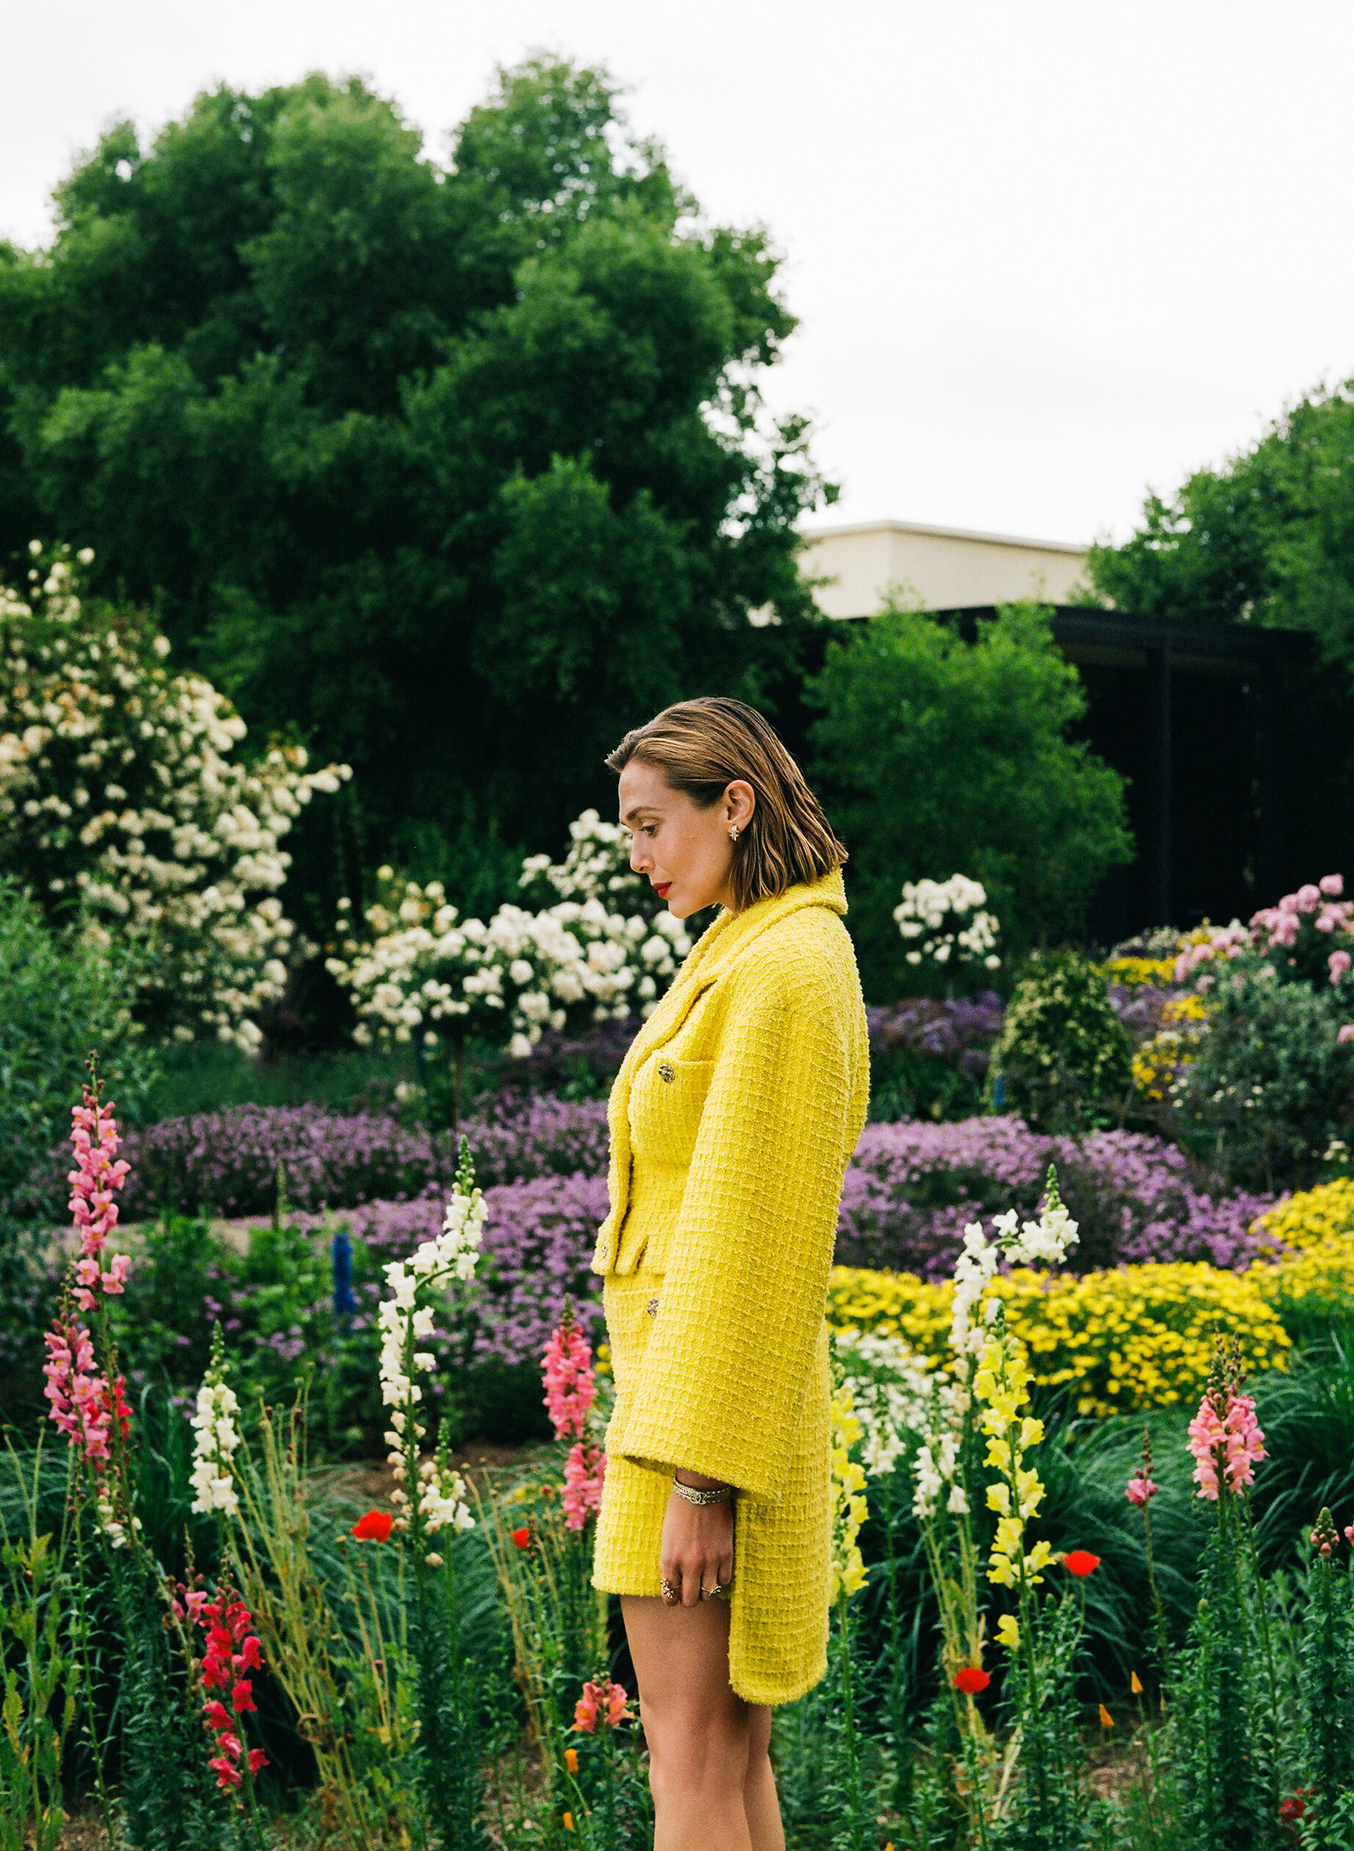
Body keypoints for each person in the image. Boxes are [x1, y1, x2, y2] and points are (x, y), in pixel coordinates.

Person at [591, 697, 869, 1851]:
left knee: (691, 1763)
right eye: (629, 832)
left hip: (702, 1432)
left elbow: (754, 1236)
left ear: (735, 805)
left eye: (650, 825)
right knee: (719, 1759)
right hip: (693, 1411)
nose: (638, 856)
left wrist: (699, 1485)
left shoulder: (786, 968)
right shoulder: (750, 946)